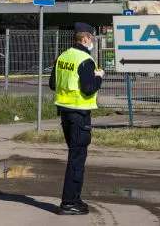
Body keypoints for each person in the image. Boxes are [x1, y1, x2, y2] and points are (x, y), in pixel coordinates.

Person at [48, 22, 104, 216]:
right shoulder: (86, 60)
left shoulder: (63, 57)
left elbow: (52, 84)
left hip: (64, 113)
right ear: (86, 38)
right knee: (77, 160)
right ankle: (70, 202)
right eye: (92, 38)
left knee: (74, 156)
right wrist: (99, 77)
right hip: (80, 115)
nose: (92, 42)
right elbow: (89, 88)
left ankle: (71, 199)